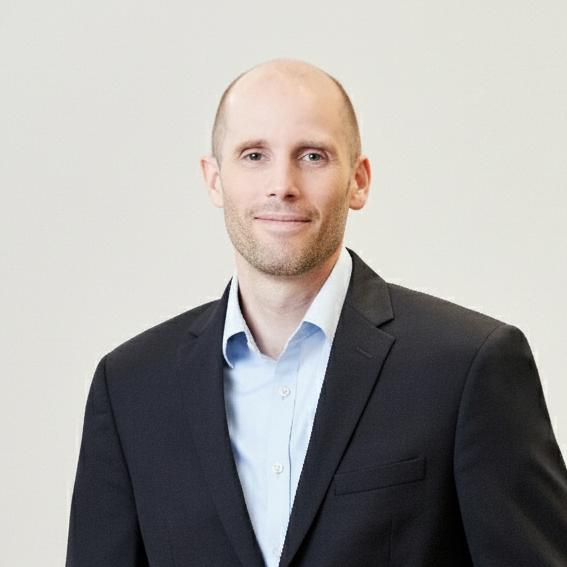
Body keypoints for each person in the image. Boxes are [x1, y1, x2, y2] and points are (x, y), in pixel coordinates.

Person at [66, 60, 567, 567]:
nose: (282, 184)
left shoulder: (466, 367)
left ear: (359, 181)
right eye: (254, 155)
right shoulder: (130, 387)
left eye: (312, 155)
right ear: (214, 180)